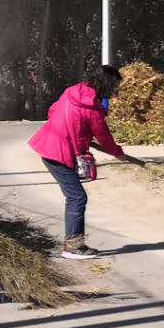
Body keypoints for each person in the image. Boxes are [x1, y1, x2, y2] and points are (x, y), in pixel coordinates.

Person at [27, 65, 126, 259]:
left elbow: (53, 110)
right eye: (114, 86)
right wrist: (118, 153)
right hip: (59, 153)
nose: (114, 90)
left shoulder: (72, 91)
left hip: (48, 144)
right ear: (106, 84)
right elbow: (104, 138)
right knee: (77, 197)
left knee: (75, 196)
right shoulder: (93, 109)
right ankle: (73, 247)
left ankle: (73, 245)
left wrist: (71, 130)